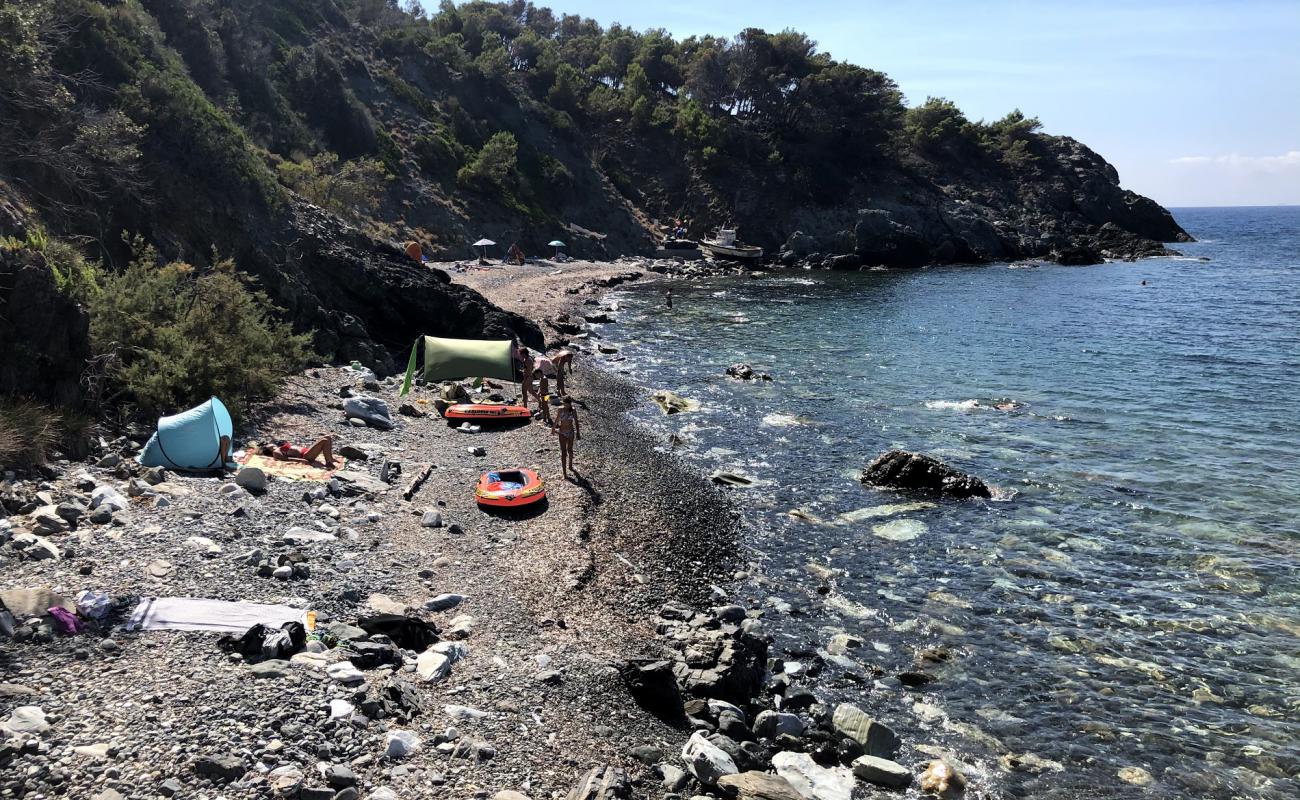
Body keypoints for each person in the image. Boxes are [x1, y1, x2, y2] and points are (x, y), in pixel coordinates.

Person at [257, 436, 337, 469]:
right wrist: (301, 460)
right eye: (267, 445)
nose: (269, 443)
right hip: (305, 456)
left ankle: (331, 458)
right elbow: (286, 459)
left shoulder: (279, 447)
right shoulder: (275, 452)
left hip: (306, 451)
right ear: (268, 448)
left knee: (328, 437)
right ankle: (328, 462)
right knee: (324, 441)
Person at [551, 396, 581, 480]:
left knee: (570, 450)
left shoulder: (573, 410)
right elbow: (557, 420)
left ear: (569, 404)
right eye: (564, 404)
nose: (565, 405)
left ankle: (570, 465)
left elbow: (576, 422)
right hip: (562, 433)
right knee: (563, 453)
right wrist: (553, 429)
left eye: (566, 404)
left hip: (571, 432)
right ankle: (564, 473)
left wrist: (578, 433)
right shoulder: (560, 410)